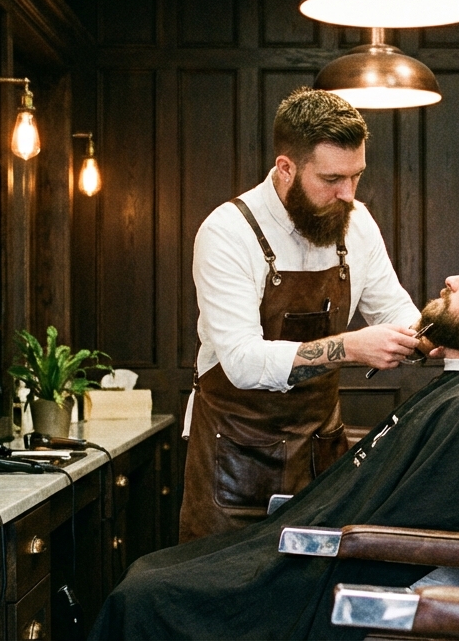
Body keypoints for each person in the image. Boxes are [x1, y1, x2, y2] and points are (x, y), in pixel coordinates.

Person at [93, 250, 459, 641]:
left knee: (146, 595)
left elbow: (431, 538)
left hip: (345, 579)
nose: (450, 279)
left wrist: (325, 536)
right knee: (151, 575)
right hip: (320, 555)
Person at [183, 88, 427, 541]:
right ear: (286, 168)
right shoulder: (228, 231)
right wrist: (350, 347)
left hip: (321, 451)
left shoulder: (357, 222)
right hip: (235, 457)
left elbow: (394, 309)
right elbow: (241, 360)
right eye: (332, 179)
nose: (348, 194)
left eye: (356, 176)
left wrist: (442, 330)